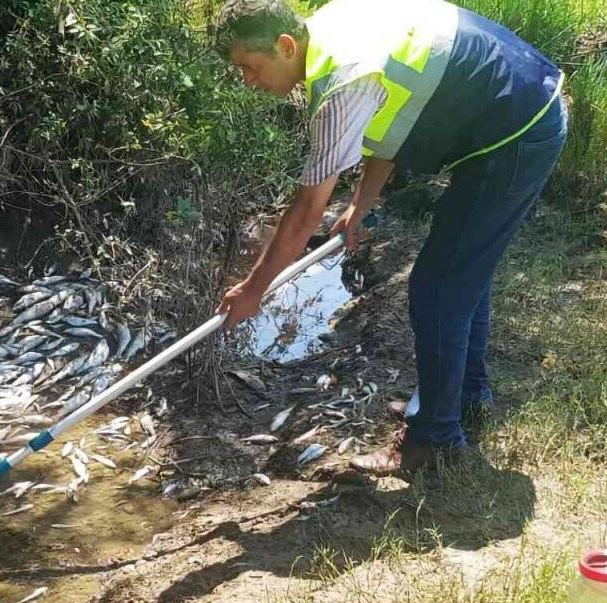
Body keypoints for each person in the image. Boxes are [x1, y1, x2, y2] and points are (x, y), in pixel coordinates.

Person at [213, 0, 568, 475]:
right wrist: (361, 204)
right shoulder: (331, 28)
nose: (249, 82)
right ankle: (463, 400)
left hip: (516, 132)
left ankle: (433, 441)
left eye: (249, 68)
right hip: (519, 109)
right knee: (462, 276)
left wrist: (254, 289)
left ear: (285, 46)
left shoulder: (343, 76)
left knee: (439, 288)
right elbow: (393, 118)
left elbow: (305, 211)